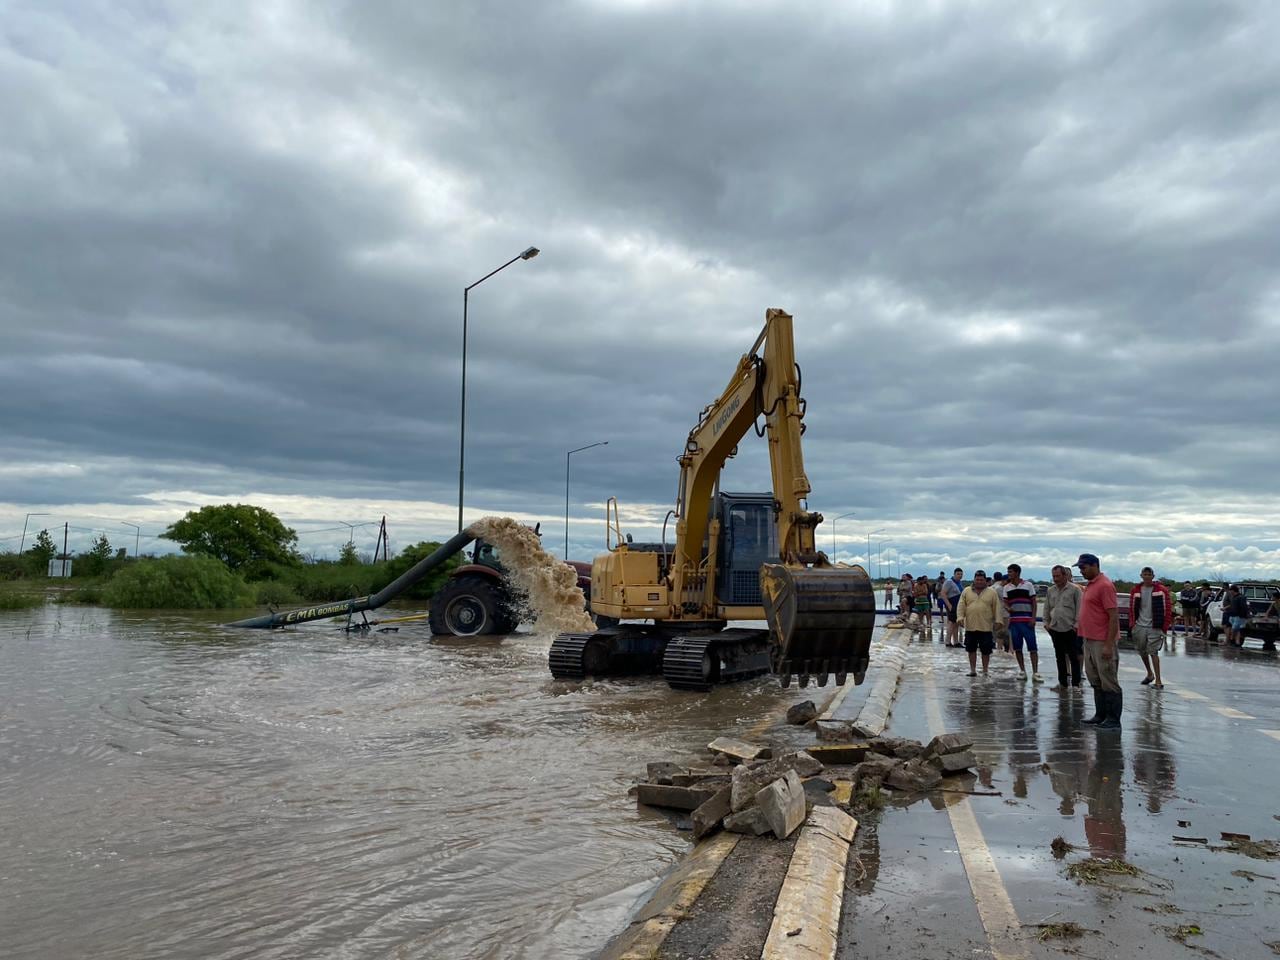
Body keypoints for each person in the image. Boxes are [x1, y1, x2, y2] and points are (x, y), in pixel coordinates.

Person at [1075, 553, 1122, 729]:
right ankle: (1100, 714)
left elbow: (1113, 616)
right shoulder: (1091, 585)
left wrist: (1109, 645)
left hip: (1102, 641)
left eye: (1083, 567)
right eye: (1080, 568)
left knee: (1108, 678)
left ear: (1095, 565)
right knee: (1094, 678)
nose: (1082, 571)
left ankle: (1113, 719)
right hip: (1089, 639)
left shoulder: (1105, 586)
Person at [1129, 567, 1172, 688]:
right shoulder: (1136, 590)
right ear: (1141, 575)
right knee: (1142, 651)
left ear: (1153, 576)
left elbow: (1167, 609)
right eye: (1145, 574)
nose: (1147, 576)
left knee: (1153, 652)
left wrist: (1164, 626)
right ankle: (1149, 673)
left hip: (1155, 626)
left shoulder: (1161, 590)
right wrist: (1133, 624)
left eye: (1149, 574)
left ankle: (1158, 680)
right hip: (1140, 625)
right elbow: (1132, 608)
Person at [1044, 564, 1083, 691]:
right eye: (1054, 576)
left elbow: (1080, 609)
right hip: (1055, 628)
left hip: (1070, 628)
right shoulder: (1051, 590)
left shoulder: (1075, 590)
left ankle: (1076, 684)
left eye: (1058, 576)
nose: (1056, 579)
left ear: (1065, 576)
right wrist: (1046, 624)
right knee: (1059, 657)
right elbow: (1047, 608)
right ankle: (1063, 684)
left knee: (1074, 657)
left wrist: (1076, 625)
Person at [1001, 563, 1042, 682]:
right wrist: (1008, 608)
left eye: (1010, 572)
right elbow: (1005, 602)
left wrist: (1033, 618)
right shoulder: (1006, 587)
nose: (1009, 574)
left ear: (1017, 573)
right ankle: (1022, 671)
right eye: (1008, 572)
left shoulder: (1028, 585)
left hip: (1027, 621)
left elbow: (1034, 602)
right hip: (1014, 622)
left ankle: (1036, 672)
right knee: (1018, 648)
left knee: (1033, 648)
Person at [957, 570, 1001, 677]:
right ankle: (973, 670)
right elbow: (961, 605)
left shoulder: (992, 592)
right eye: (977, 579)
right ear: (974, 580)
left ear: (985, 580)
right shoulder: (966, 591)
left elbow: (997, 607)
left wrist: (998, 621)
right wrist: (960, 617)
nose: (979, 582)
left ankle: (985, 670)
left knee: (986, 651)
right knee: (971, 649)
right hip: (970, 626)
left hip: (986, 627)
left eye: (981, 580)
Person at [942, 568, 965, 647]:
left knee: (956, 624)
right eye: (958, 574)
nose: (960, 576)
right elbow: (943, 593)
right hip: (952, 604)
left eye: (961, 574)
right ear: (954, 574)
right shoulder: (949, 582)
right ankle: (948, 641)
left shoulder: (959, 583)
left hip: (958, 604)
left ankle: (956, 641)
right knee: (951, 623)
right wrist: (949, 605)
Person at [991, 572, 1012, 654]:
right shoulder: (1000, 589)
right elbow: (1007, 599)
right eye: (1008, 581)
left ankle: (1001, 649)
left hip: (1000, 612)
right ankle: (1004, 649)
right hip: (1003, 613)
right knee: (1004, 631)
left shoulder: (995, 587)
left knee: (1001, 631)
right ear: (1003, 581)